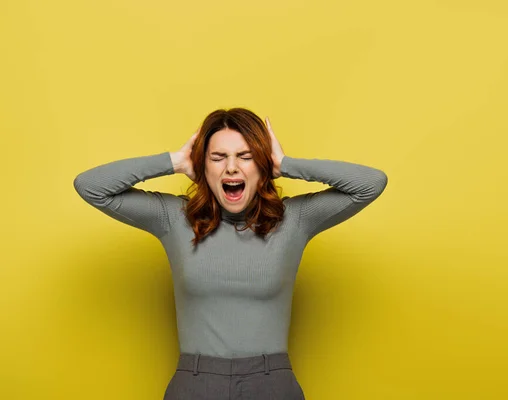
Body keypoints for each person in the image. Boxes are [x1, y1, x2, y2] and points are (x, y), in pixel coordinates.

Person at [73, 108, 388, 399]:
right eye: (218, 157)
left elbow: (371, 183)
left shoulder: (294, 220)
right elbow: (91, 186)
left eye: (246, 156)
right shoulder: (173, 218)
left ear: (261, 165)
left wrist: (285, 165)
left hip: (271, 384)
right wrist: (177, 160)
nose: (232, 167)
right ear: (202, 166)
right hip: (195, 384)